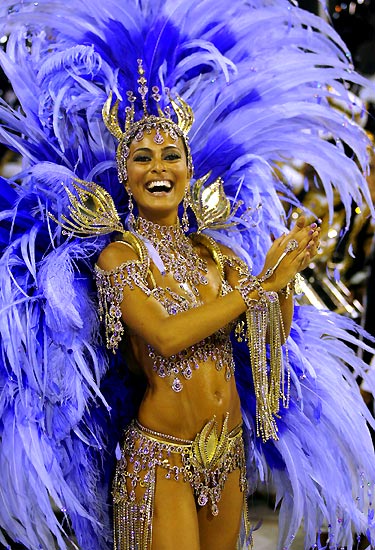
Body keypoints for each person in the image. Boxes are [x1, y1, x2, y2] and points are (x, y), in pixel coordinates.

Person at [92, 64, 320, 549]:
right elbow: (166, 335)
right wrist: (259, 286)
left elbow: (269, 339)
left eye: (171, 156)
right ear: (125, 177)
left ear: (189, 172)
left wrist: (283, 280)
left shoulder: (215, 254)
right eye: (142, 158)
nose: (158, 167)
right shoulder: (120, 257)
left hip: (226, 453)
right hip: (161, 459)